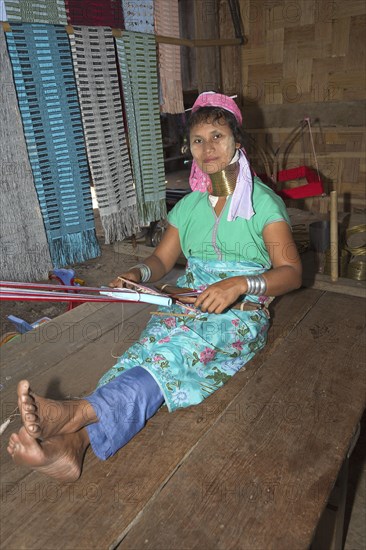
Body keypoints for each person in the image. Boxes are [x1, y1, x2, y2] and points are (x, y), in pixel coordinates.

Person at [7, 92, 302, 481]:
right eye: (198, 139)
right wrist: (136, 275)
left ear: (237, 142)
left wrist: (239, 284)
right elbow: (161, 261)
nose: (207, 147)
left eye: (217, 136)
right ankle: (73, 447)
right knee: (141, 355)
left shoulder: (262, 204)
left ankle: (76, 414)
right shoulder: (188, 208)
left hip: (237, 317)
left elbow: (292, 272)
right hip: (183, 304)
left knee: (173, 357)